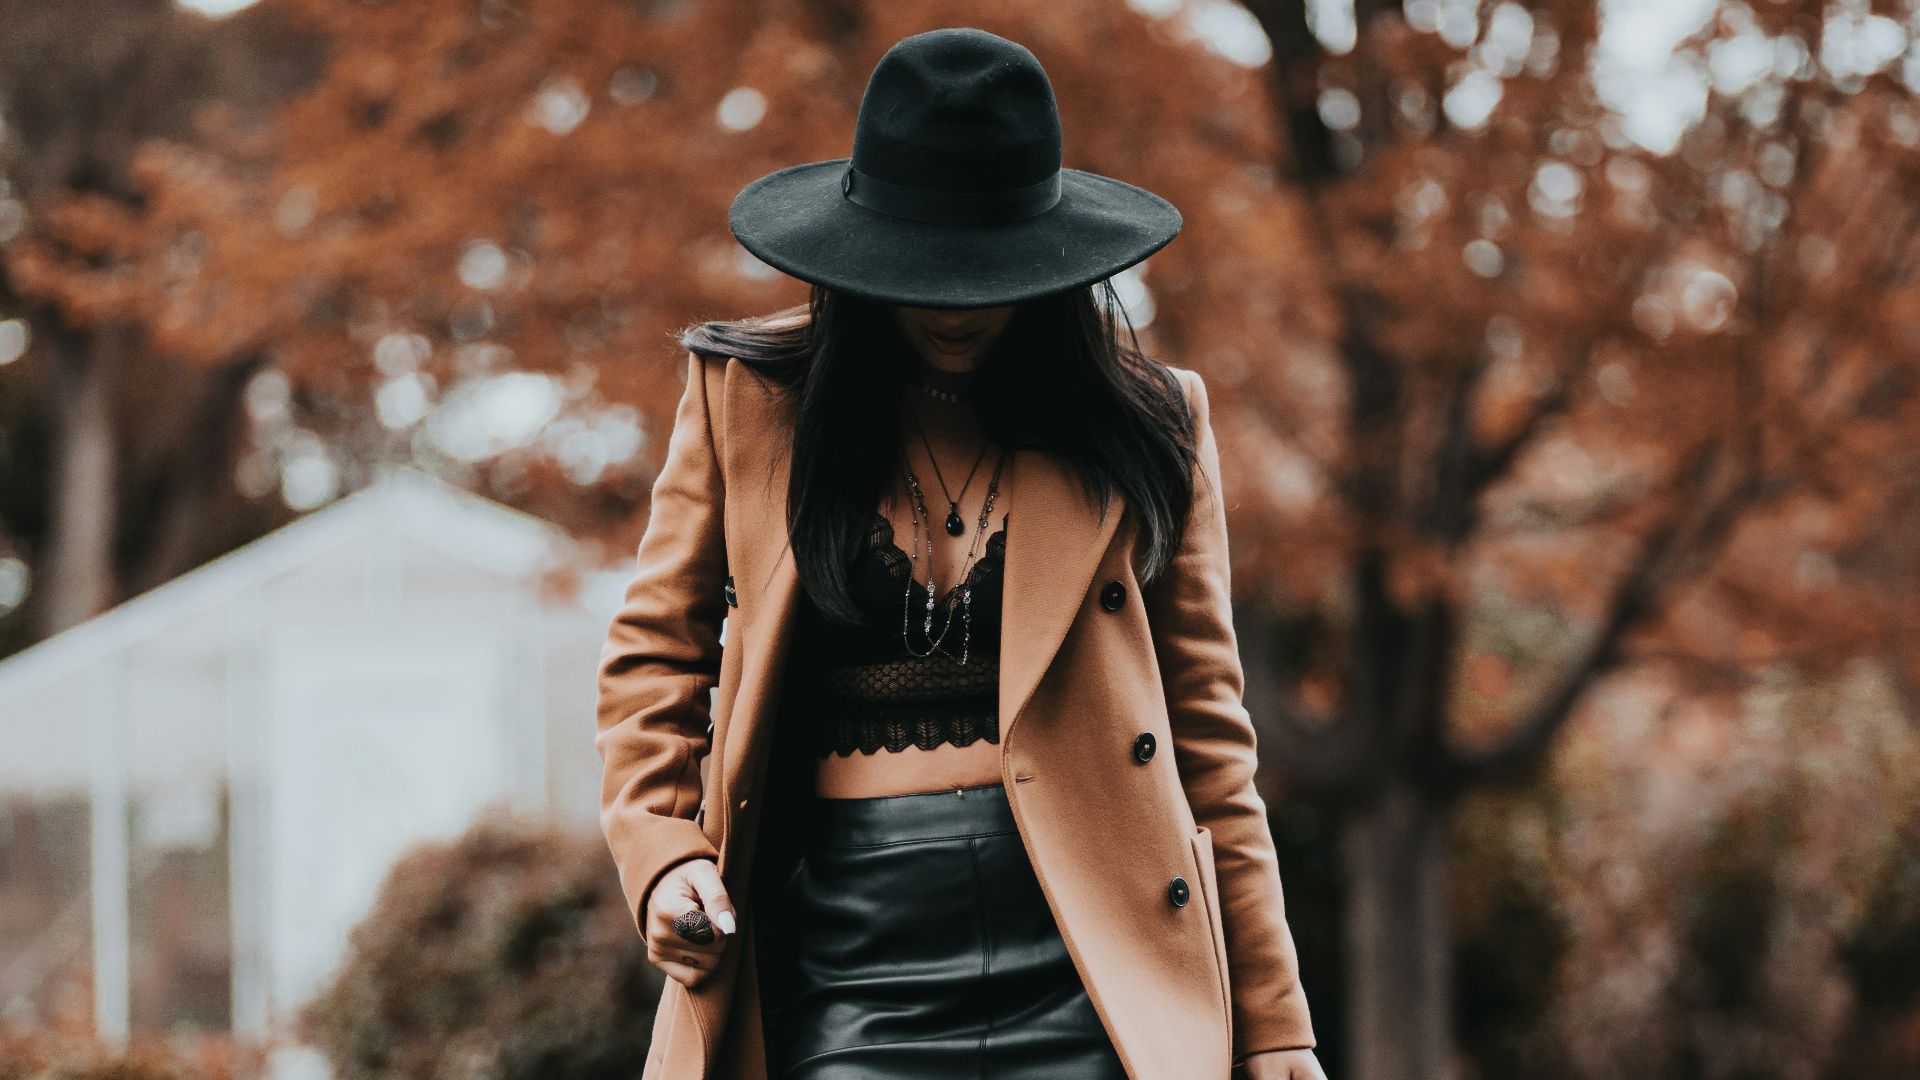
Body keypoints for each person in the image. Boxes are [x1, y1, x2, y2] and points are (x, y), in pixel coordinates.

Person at [595, 26, 1327, 1080]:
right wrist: (663, 859)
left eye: (986, 271)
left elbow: (1209, 735)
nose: (952, 305)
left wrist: (1272, 1023)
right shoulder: (746, 404)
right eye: (922, 268)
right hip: (841, 959)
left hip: (1095, 955)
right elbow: (651, 661)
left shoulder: (1152, 424)